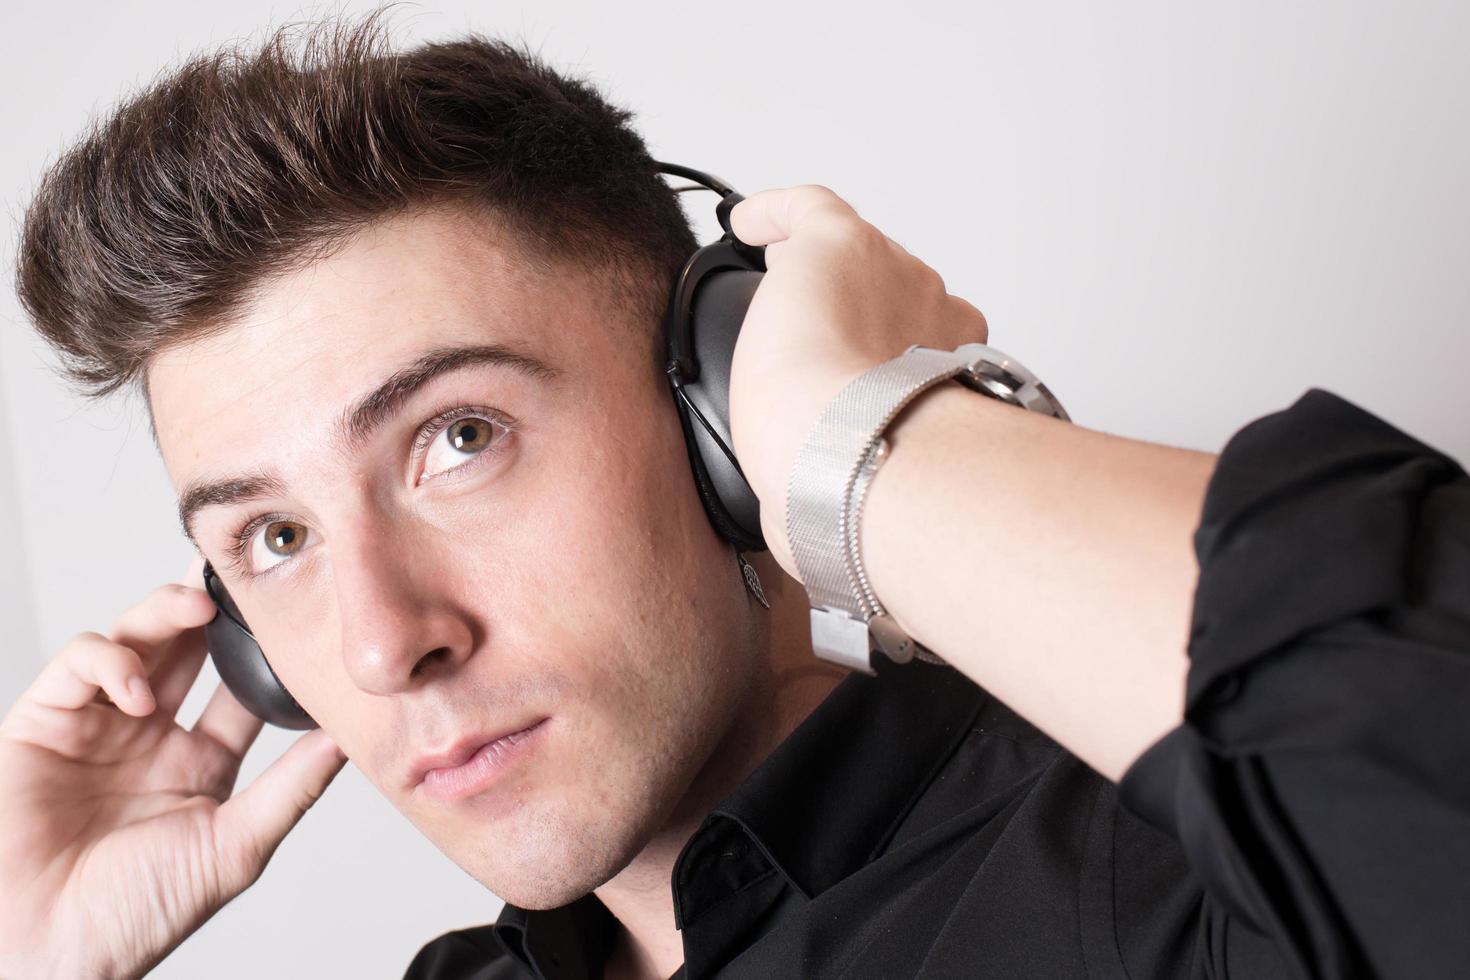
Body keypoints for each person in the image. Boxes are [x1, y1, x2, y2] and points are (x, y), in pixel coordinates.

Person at [3, 15, 1467, 980]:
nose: (384, 645)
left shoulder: (1164, 877)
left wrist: (871, 441)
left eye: (458, 438)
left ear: (712, 408)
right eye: (273, 537)